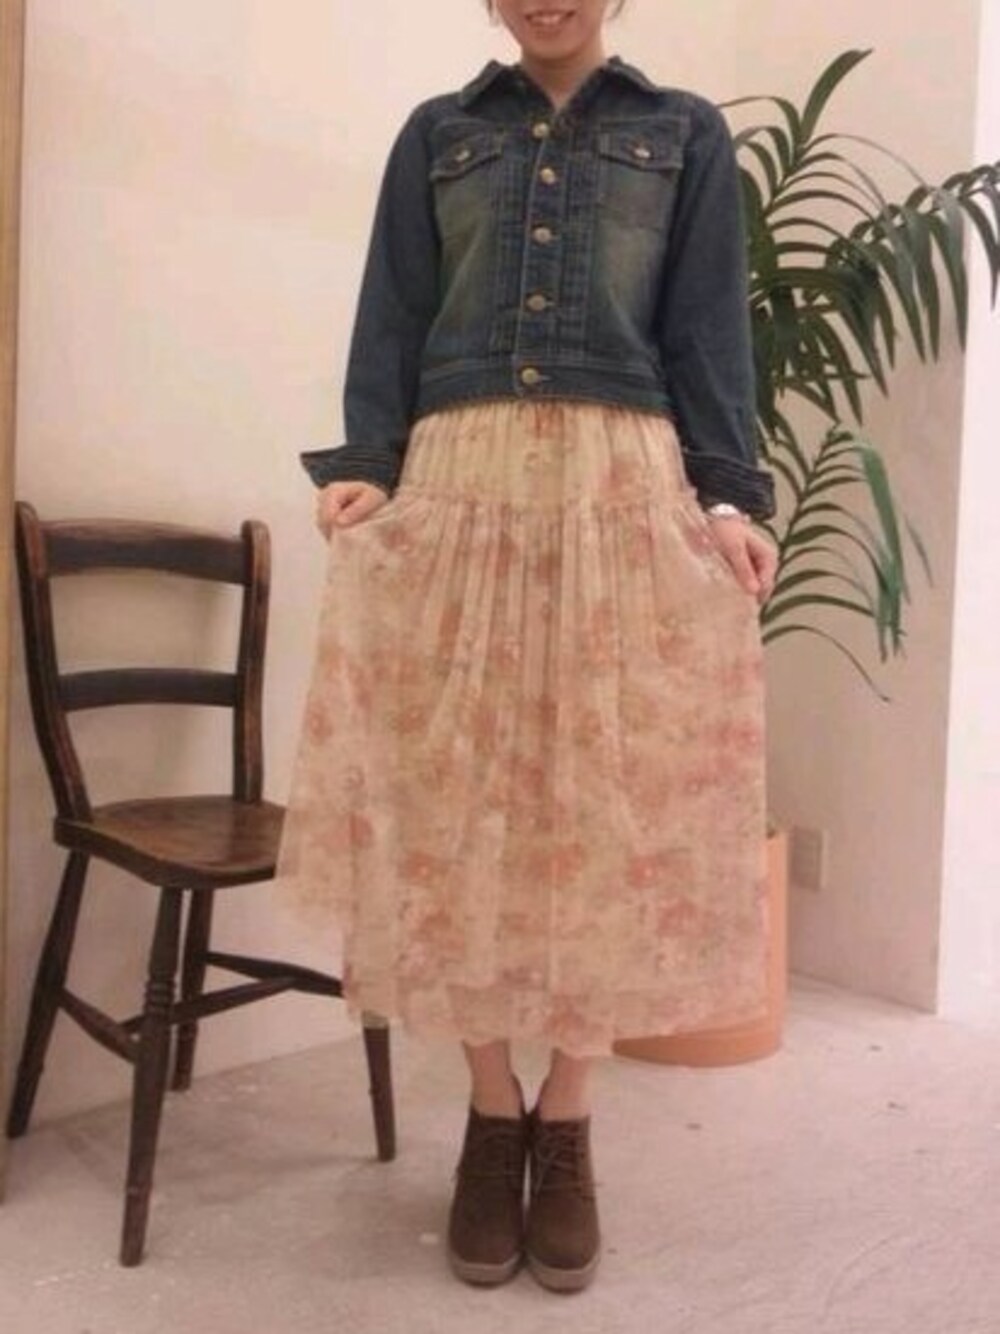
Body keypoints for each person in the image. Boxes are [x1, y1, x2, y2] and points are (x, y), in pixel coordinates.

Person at [278, 0, 778, 1295]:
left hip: (620, 491)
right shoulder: (437, 134)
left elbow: (706, 332)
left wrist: (730, 499)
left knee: (604, 807)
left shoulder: (685, 134)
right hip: (463, 483)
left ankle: (568, 1123)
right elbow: (393, 315)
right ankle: (490, 1113)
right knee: (459, 805)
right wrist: (369, 463)